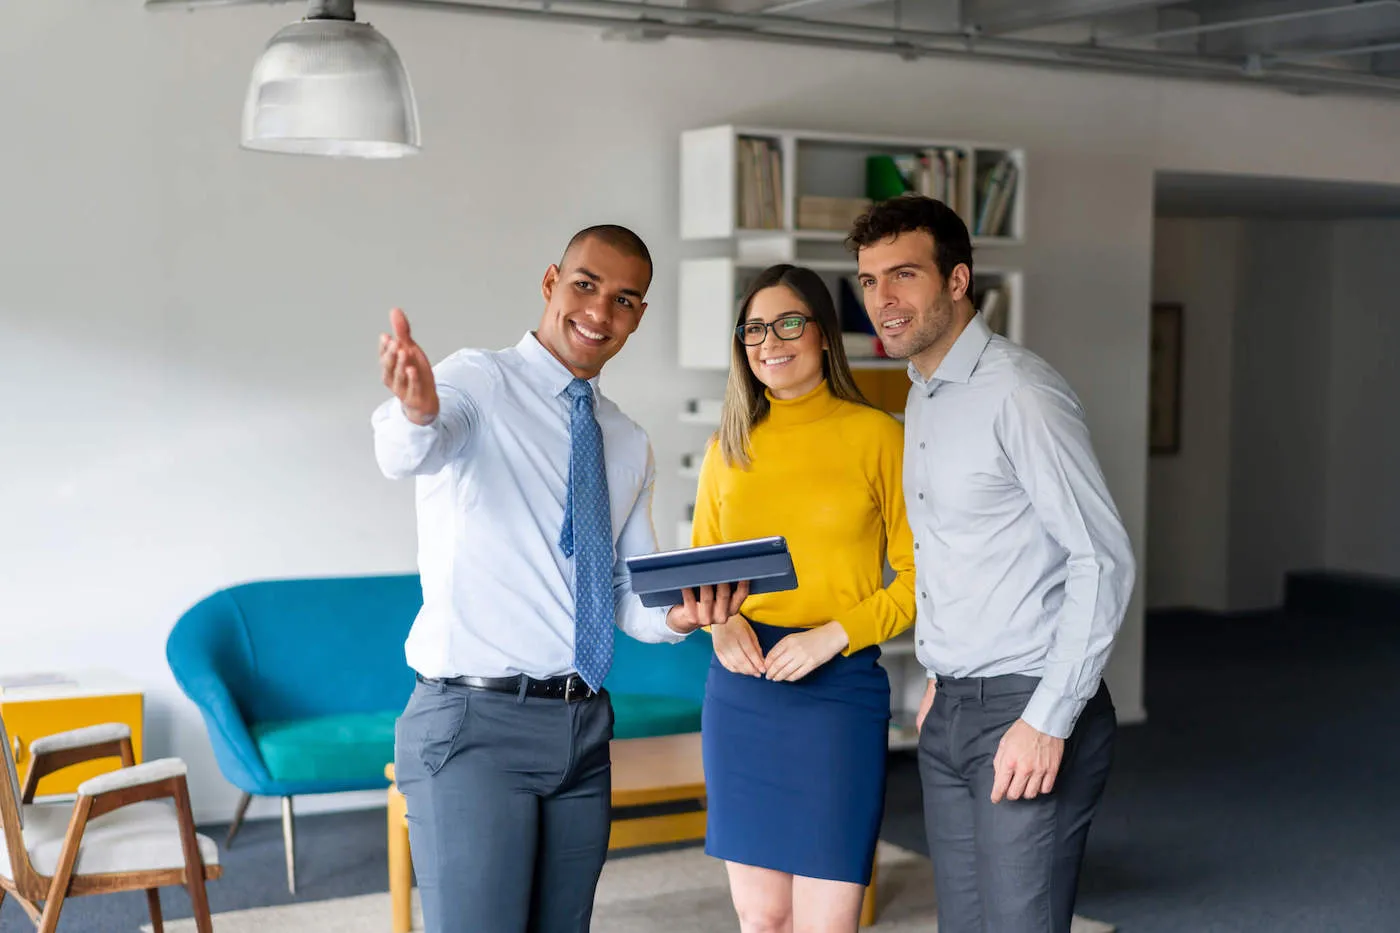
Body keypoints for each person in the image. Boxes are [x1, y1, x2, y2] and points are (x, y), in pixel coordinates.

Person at [371, 224, 745, 933]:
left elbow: (629, 599)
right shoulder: (477, 379)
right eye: (585, 285)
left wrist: (684, 613)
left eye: (626, 299)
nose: (601, 312)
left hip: (582, 728)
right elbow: (409, 447)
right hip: (473, 727)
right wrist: (416, 409)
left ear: (639, 315)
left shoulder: (627, 439)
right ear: (550, 282)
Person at [846, 195, 1136, 933]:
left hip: (1029, 705)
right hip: (951, 713)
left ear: (956, 280)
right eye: (869, 280)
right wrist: (943, 673)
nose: (883, 298)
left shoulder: (1021, 393)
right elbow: (960, 552)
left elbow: (1101, 558)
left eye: (903, 275)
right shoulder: (925, 396)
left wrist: (1047, 718)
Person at [691, 263, 917, 933]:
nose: (770, 340)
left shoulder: (878, 435)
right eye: (754, 328)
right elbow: (702, 577)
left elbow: (918, 577)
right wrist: (720, 625)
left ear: (823, 334)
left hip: (838, 691)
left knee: (827, 922)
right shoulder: (726, 446)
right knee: (761, 917)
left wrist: (834, 634)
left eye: (789, 321)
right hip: (742, 692)